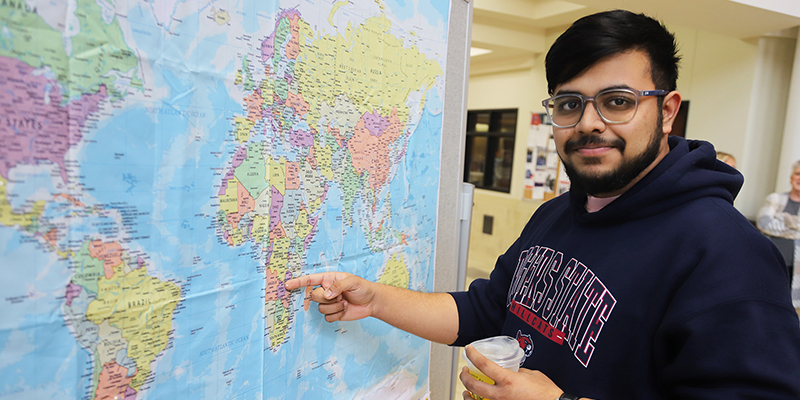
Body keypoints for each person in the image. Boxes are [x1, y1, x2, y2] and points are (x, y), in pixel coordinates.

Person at [286, 10, 800, 400]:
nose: (590, 122)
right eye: (569, 103)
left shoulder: (728, 255)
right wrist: (375, 300)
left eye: (618, 101)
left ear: (667, 111)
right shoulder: (557, 214)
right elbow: (487, 310)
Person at [757, 160, 800, 305]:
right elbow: (764, 224)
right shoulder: (775, 198)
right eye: (797, 174)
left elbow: (774, 224)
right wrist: (796, 226)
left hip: (797, 269)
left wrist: (783, 218)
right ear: (791, 177)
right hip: (772, 261)